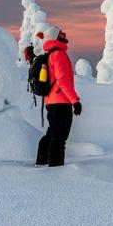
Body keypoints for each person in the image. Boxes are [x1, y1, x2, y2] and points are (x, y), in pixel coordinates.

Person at [35, 26, 82, 167]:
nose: (64, 35)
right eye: (61, 34)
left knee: (53, 133)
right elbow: (63, 81)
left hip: (51, 101)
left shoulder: (51, 54)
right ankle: (55, 167)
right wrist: (75, 101)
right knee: (59, 136)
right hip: (61, 102)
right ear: (55, 37)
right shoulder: (59, 55)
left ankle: (42, 161)